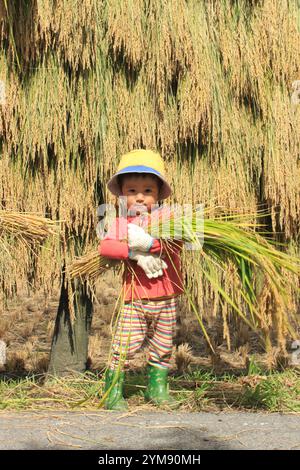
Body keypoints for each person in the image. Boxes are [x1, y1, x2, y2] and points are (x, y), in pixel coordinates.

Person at [98, 149, 184, 410]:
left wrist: (152, 243)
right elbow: (105, 248)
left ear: (158, 195)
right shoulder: (120, 223)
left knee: (163, 345)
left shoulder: (168, 218)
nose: (139, 196)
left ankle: (156, 388)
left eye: (148, 191)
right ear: (121, 194)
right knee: (127, 343)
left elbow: (177, 243)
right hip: (135, 298)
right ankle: (112, 391)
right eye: (132, 190)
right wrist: (134, 253)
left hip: (167, 296)